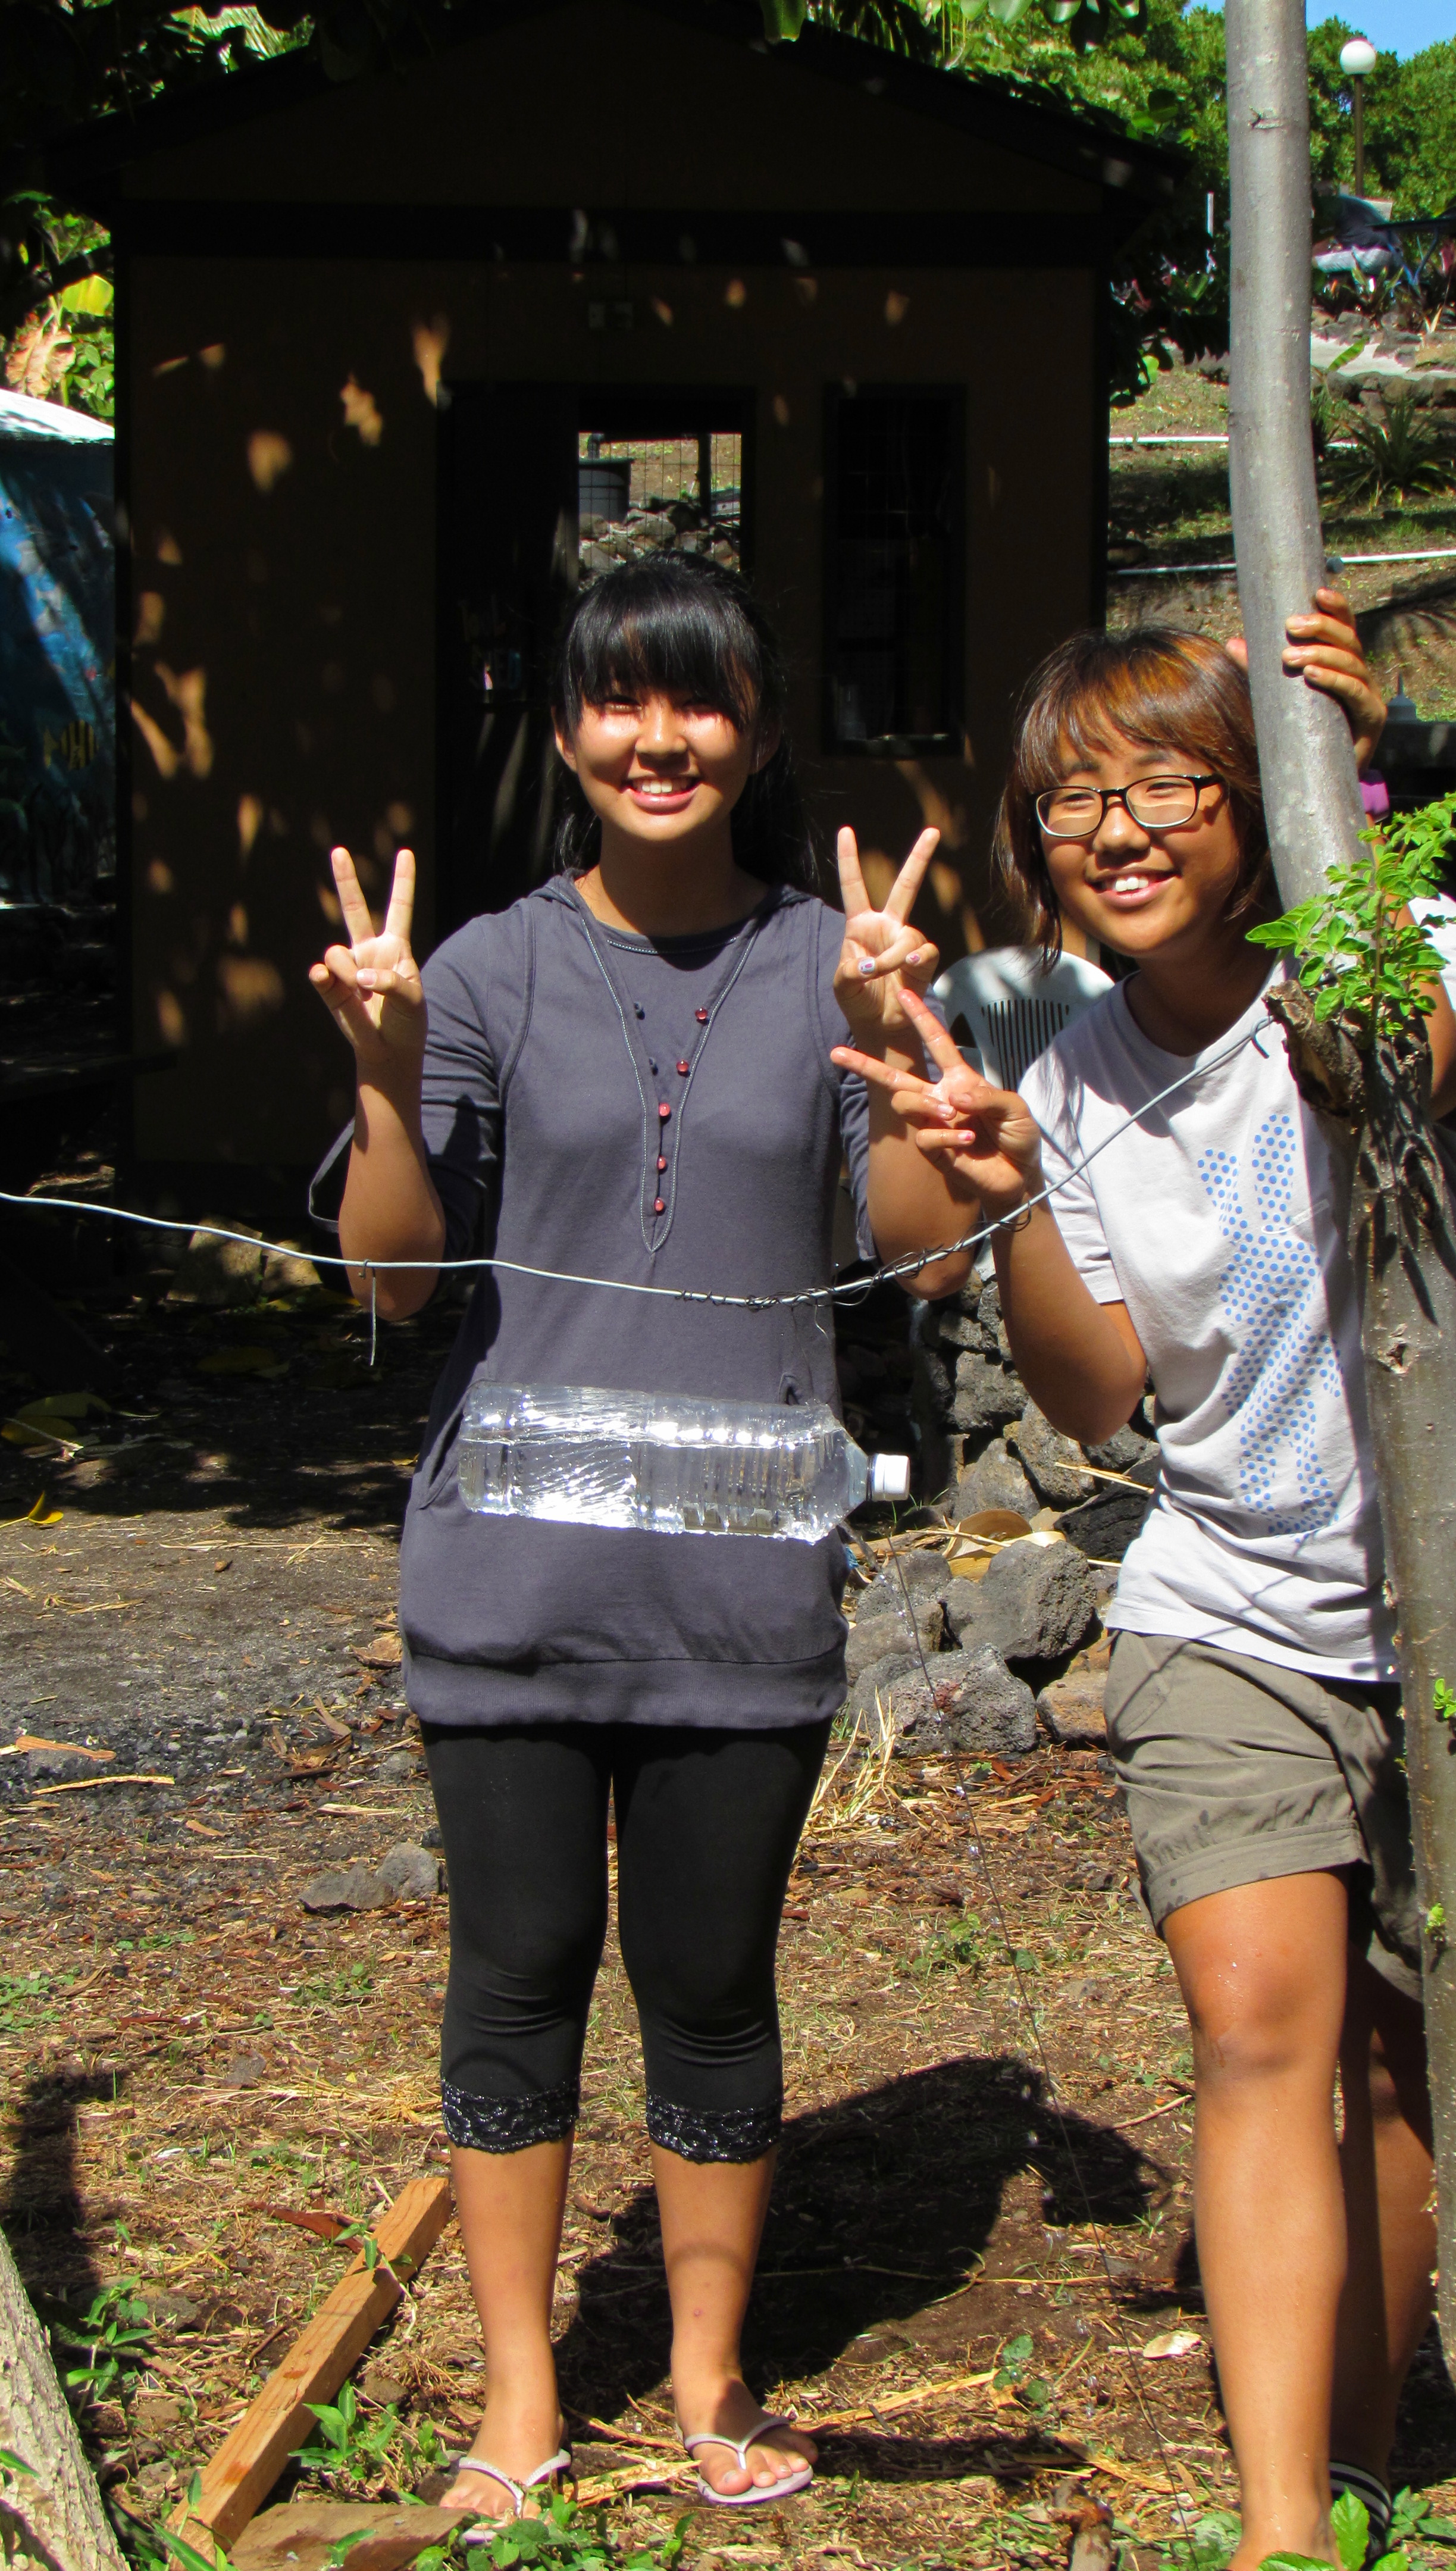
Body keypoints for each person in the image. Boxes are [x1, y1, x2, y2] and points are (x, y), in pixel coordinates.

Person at [833, 615, 1456, 2571]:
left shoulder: (1402, 945)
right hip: (1232, 1606)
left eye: (1169, 783)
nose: (1118, 832)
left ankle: (1351, 2466)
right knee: (1263, 2022)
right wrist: (1010, 1195)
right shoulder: (1075, 1081)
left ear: (1259, 796)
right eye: (1071, 802)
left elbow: (1414, 1064)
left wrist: (1356, 792)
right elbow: (1101, 1396)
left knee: (1400, 2058)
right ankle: (1282, 2537)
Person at [306, 556, 974, 2518]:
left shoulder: (832, 957)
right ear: (566, 729)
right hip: (508, 1576)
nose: (657, 739)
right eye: (618, 698)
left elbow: (929, 1261)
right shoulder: (484, 971)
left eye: (700, 703)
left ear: (757, 735)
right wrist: (383, 1068)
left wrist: (898, 1044)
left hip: (743, 1575)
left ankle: (705, 2377)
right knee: (517, 1968)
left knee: (709, 1980)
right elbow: (394, 1282)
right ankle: (521, 2395)